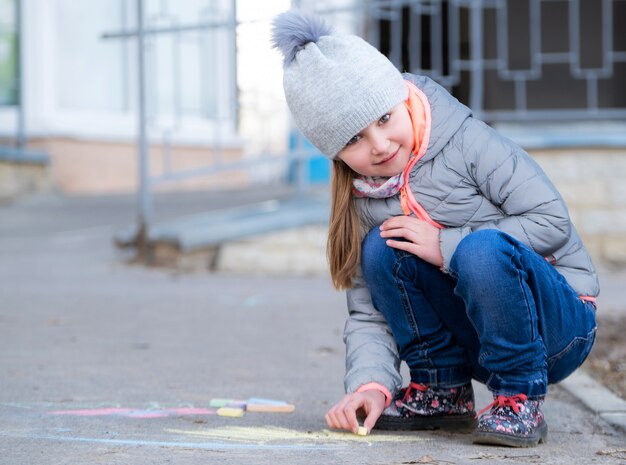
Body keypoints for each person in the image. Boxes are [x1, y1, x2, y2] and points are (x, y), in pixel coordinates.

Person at [271, 10, 599, 448]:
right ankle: (441, 388)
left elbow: (551, 222)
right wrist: (369, 385)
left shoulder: (467, 143)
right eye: (354, 140)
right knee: (381, 248)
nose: (380, 145)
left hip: (557, 324)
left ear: (402, 97)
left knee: (479, 250)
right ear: (334, 153)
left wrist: (445, 245)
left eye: (384, 119)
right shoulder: (364, 197)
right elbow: (369, 311)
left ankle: (519, 396)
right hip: (479, 336)